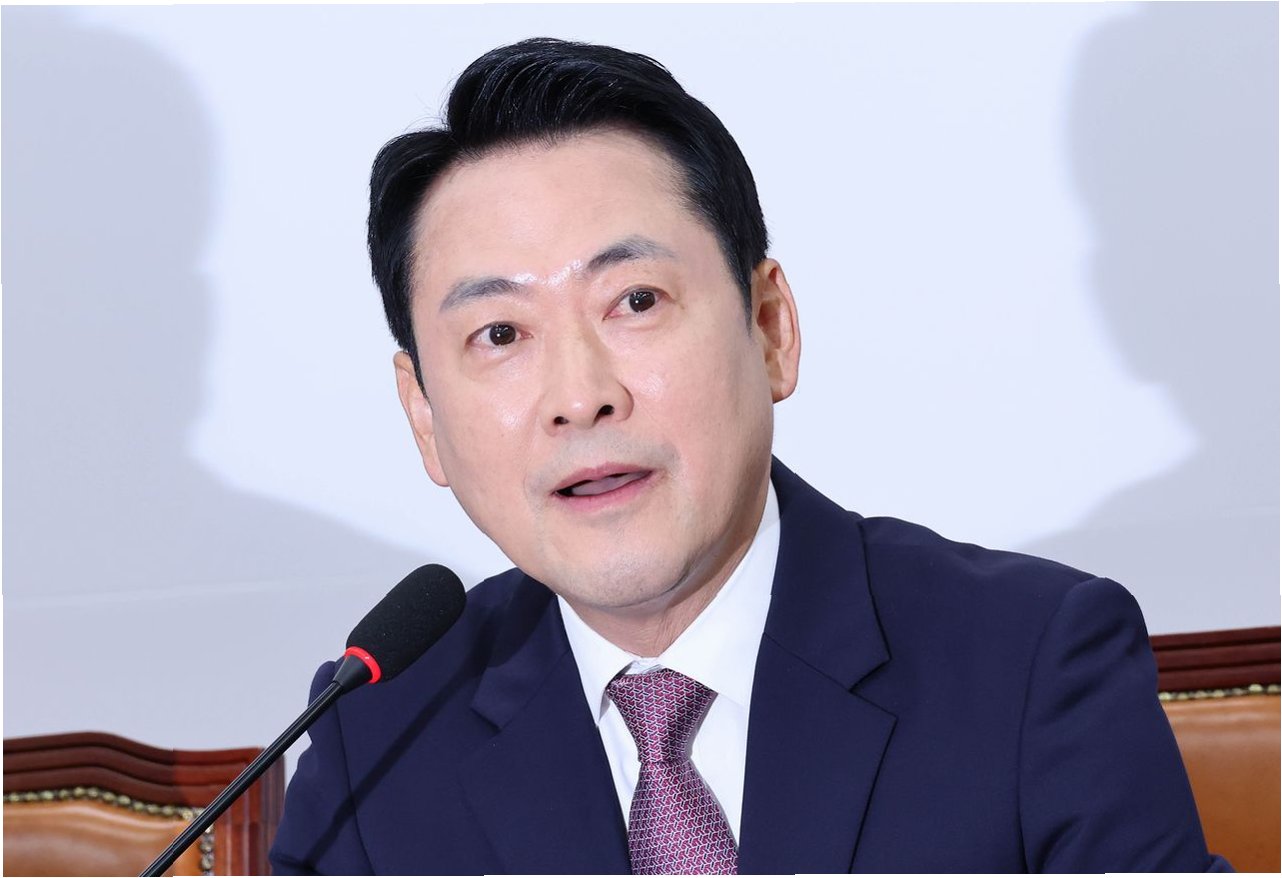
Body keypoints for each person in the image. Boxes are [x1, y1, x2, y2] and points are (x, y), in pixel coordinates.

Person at [269, 38, 1227, 874]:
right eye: (500, 334)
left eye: (635, 301)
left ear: (770, 328)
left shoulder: (1029, 664)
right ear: (423, 416)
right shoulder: (376, 739)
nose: (579, 395)